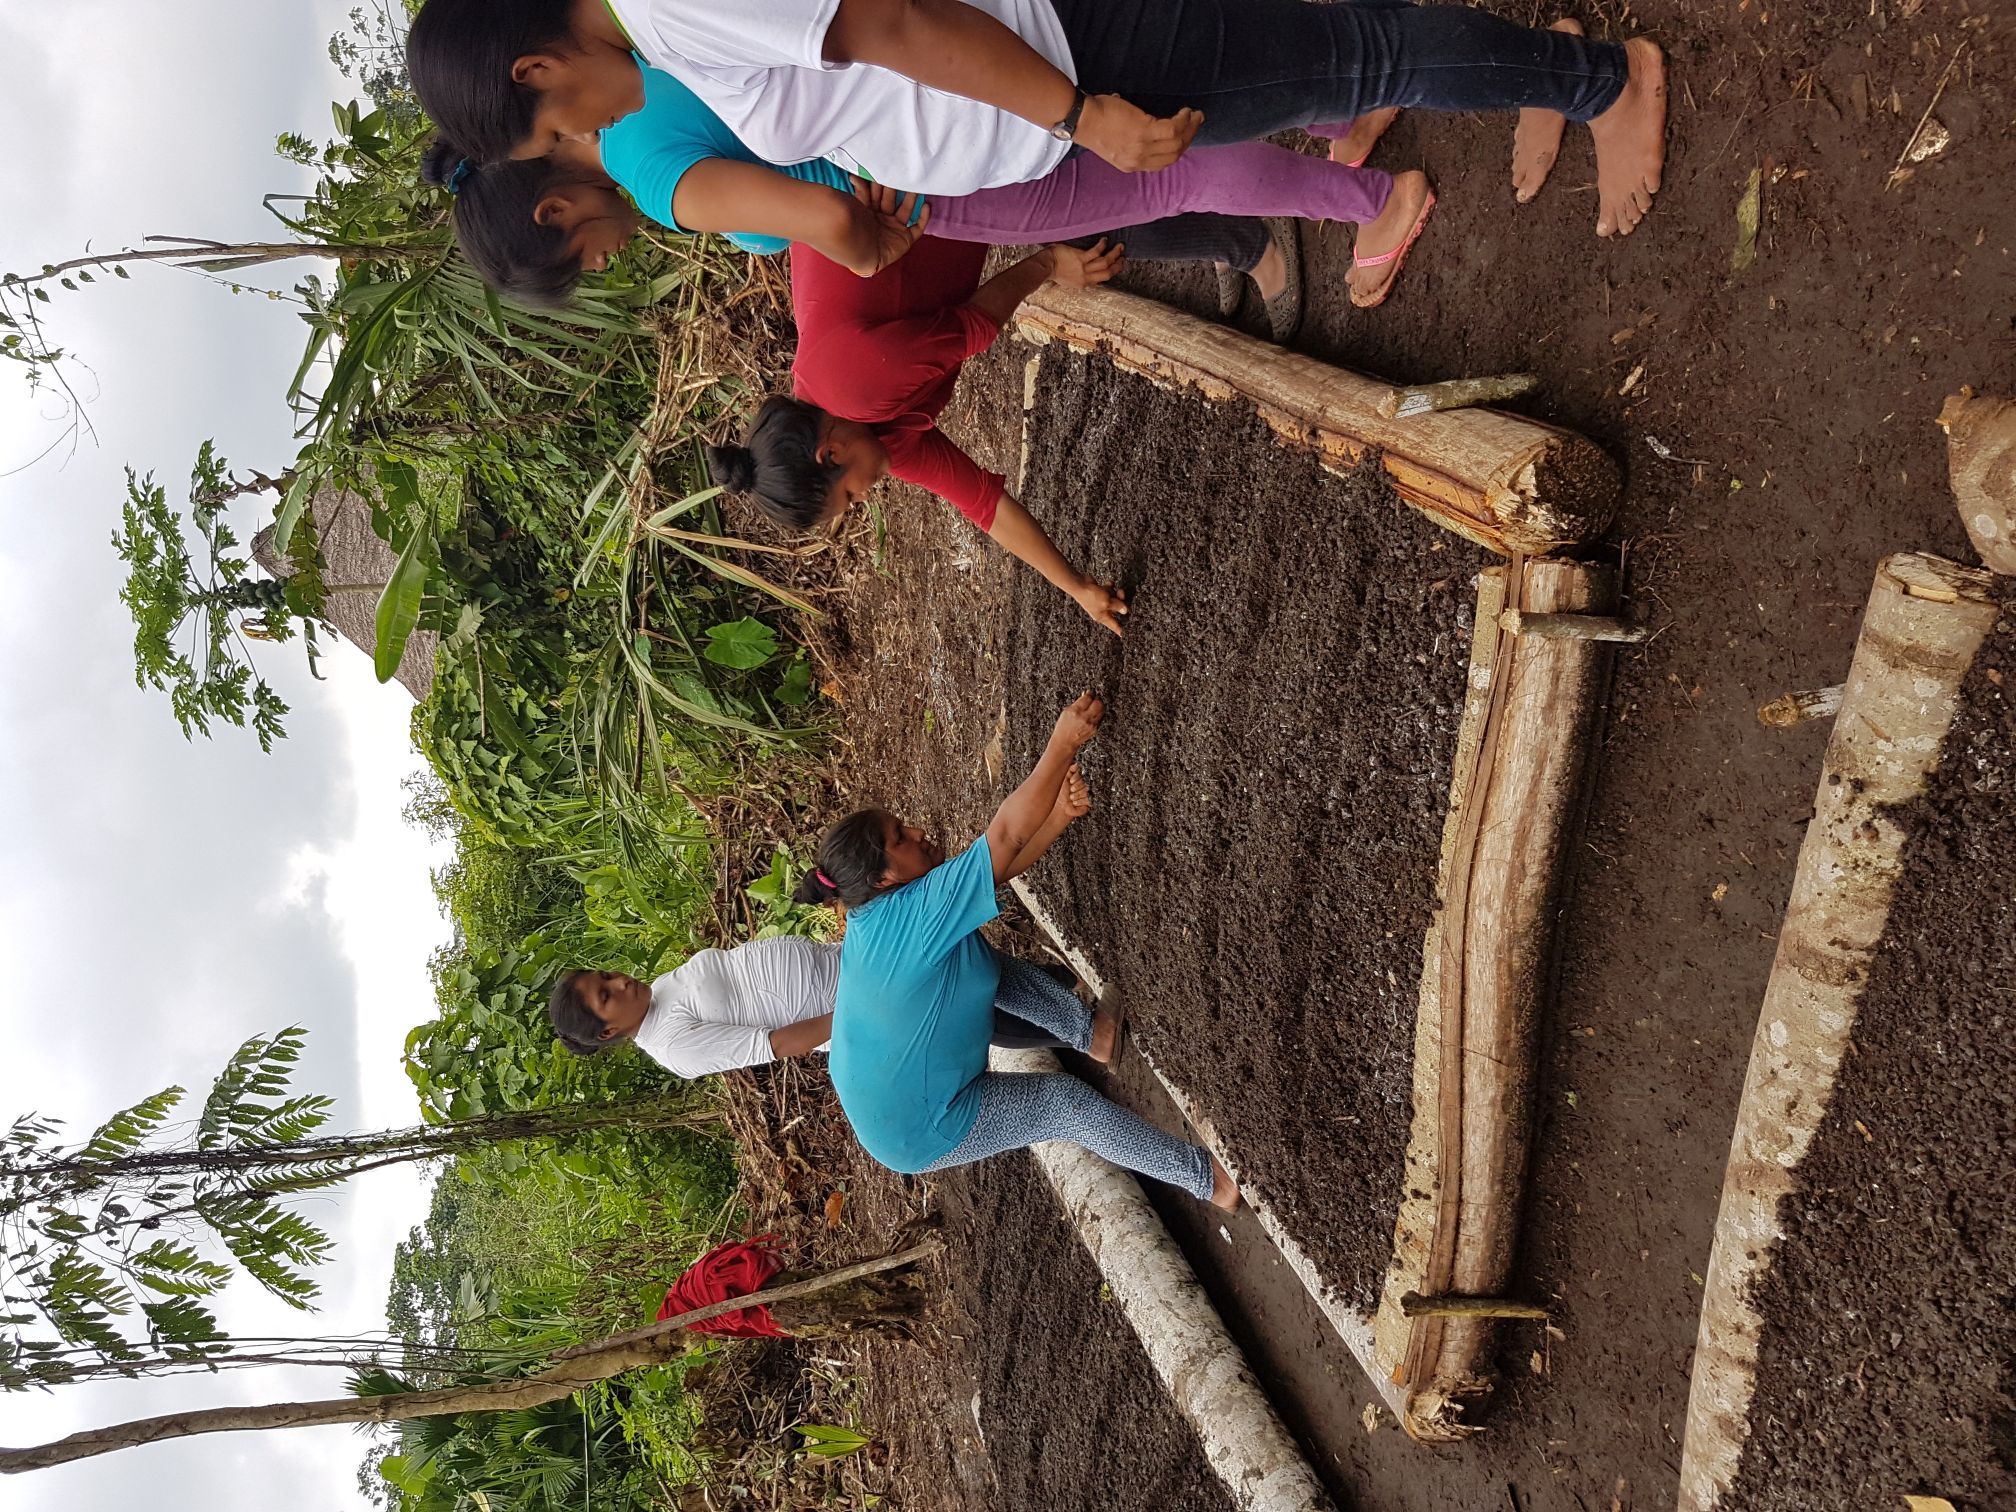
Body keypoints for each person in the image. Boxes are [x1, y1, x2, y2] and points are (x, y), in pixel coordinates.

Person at [405, 0, 1663, 292]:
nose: (587, 135)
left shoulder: (674, 9)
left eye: (558, 124)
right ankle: (1541, 65)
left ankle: (1601, 78)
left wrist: (1077, 116)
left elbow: (893, 21)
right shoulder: (671, 43)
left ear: (537, 69)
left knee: (1351, 63)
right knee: (1331, 53)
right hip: (1050, 82)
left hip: (1073, 56)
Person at [421, 57, 1399, 313]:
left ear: (554, 211)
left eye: (581, 262)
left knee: (1158, 177)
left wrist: (874, 245)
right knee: (1150, 96)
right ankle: (1339, 115)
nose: (606, 260)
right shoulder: (633, 55)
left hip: (925, 178)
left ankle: (1375, 203)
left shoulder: (645, 171)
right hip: (925, 88)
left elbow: (830, 218)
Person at [795, 692, 1239, 1209]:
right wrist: (1062, 743)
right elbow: (1003, 835)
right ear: (883, 876)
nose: (916, 831)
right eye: (901, 836)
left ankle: (1094, 1034)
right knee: (1062, 1105)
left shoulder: (878, 913)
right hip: (915, 1123)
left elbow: (996, 868)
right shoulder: (912, 919)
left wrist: (1058, 818)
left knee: (976, 963)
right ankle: (1212, 1181)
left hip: (880, 1087)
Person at [548, 771, 1118, 1076]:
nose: (620, 981)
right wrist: (859, 1010)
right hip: (861, 999)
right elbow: (776, 1043)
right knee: (972, 1002)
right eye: (606, 994)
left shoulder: (665, 990)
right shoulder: (674, 1046)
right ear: (607, 1031)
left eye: (607, 975)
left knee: (966, 959)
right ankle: (1086, 1035)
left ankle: (1070, 1009)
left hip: (851, 963)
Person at [706, 235, 1135, 635]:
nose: (865, 498)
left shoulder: (853, 387)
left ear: (830, 453)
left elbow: (975, 326)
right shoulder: (869, 439)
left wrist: (1050, 261)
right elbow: (983, 504)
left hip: (911, 178)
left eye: (851, 497)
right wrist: (1076, 586)